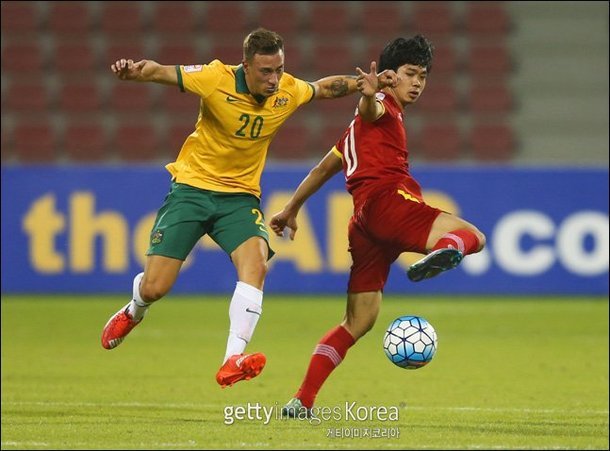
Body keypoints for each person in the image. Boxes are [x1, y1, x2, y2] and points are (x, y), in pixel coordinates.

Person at [100, 28, 398, 389]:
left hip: (239, 199)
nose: (274, 80)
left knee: (257, 263)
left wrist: (363, 83)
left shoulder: (288, 89)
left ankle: (232, 359)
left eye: (279, 69)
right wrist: (131, 70)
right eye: (266, 72)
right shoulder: (215, 78)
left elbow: (322, 87)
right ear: (246, 66)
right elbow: (161, 71)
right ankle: (135, 310)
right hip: (192, 190)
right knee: (156, 286)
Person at [269, 35, 486, 416]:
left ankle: (301, 400)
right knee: (475, 237)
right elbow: (371, 108)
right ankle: (442, 251)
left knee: (358, 321)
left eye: (423, 76)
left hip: (363, 224)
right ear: (389, 75)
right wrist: (369, 95)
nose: (417, 83)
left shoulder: (353, 131)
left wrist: (290, 209)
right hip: (389, 204)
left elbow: (323, 169)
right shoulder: (381, 105)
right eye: (409, 74)